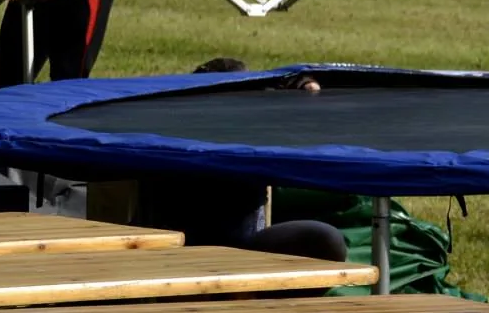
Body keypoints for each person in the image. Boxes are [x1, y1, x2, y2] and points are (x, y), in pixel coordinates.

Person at [132, 58, 349, 262]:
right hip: (183, 257)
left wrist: (302, 83)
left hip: (245, 252)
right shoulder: (171, 141)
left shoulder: (251, 134)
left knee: (326, 239)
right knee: (325, 238)